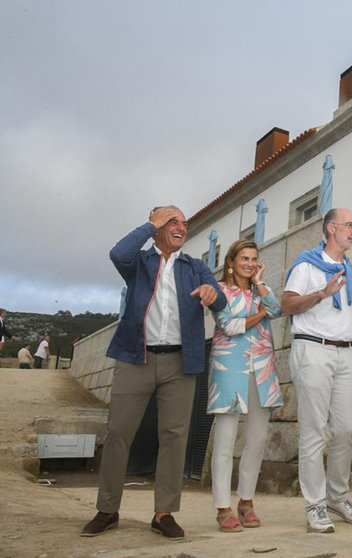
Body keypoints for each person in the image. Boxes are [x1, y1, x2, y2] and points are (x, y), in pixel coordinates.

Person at [81, 206, 227, 539]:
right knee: (118, 433)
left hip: (180, 362)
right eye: (171, 221)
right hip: (136, 357)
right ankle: (107, 509)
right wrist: (150, 225)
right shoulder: (139, 264)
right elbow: (118, 253)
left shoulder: (196, 267)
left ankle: (164, 513)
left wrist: (212, 293)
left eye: (183, 223)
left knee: (174, 436)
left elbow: (220, 303)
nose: (181, 227)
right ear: (157, 226)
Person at [282, 208, 352, 534]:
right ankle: (314, 505)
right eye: (349, 225)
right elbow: (287, 305)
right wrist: (321, 293)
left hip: (346, 352)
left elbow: (349, 316)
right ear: (331, 228)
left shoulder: (348, 269)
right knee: (314, 431)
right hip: (312, 349)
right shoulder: (306, 264)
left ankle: (336, 498)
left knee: (346, 429)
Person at [208, 240, 283, 532]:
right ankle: (223, 507)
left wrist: (260, 284)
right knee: (226, 440)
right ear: (231, 261)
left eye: (254, 259)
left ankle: (246, 502)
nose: (249, 263)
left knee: (258, 438)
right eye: (244, 258)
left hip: (262, 369)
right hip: (229, 368)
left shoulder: (260, 291)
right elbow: (230, 326)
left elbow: (277, 308)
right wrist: (262, 313)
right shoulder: (219, 291)